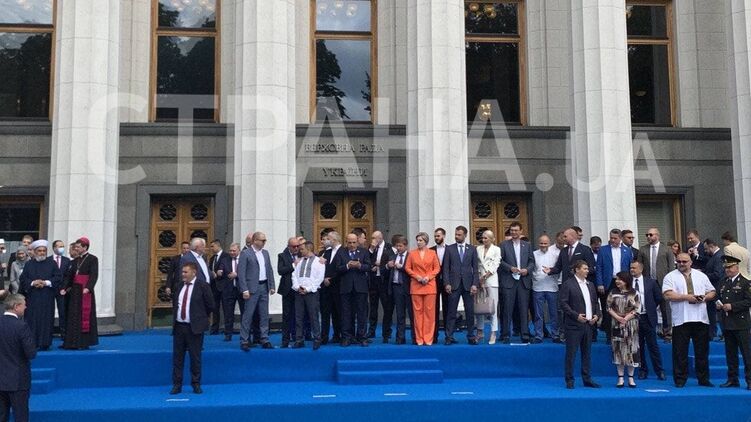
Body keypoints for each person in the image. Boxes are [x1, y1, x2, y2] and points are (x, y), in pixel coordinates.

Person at [662, 253, 716, 388]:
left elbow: (712, 291)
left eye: (684, 261)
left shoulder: (701, 275)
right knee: (680, 351)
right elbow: (668, 295)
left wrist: (704, 297)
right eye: (679, 261)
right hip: (681, 318)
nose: (681, 263)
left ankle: (703, 379)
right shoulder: (670, 276)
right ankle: (680, 379)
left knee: (702, 351)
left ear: (690, 262)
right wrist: (687, 297)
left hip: (701, 318)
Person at [170, 262, 214, 395]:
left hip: (194, 328)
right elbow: (176, 304)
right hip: (179, 327)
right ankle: (177, 384)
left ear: (193, 272)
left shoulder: (202, 286)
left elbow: (210, 305)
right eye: (182, 272)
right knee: (178, 357)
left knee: (195, 357)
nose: (183, 274)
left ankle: (196, 383)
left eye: (185, 272)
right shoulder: (179, 286)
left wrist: (200, 317)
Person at [560, 260, 601, 389]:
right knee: (571, 353)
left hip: (588, 324)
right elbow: (563, 303)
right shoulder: (568, 284)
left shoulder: (590, 285)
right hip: (574, 325)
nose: (587, 271)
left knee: (587, 353)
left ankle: (587, 378)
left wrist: (596, 315)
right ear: (577, 270)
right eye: (584, 268)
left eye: (587, 269)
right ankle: (569, 379)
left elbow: (595, 302)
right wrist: (575, 315)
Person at [716, 255, 751, 390]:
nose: (728, 270)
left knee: (746, 354)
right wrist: (718, 304)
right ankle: (732, 379)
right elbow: (718, 296)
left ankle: (749, 380)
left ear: (737, 267)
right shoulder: (723, 282)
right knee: (730, 354)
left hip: (741, 323)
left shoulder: (745, 283)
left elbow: (748, 301)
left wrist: (733, 306)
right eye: (726, 268)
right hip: (727, 322)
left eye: (730, 267)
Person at [19, 240, 61, 351]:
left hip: (47, 297)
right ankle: (32, 342)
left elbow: (58, 277)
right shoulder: (29, 264)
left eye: (44, 251)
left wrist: (46, 282)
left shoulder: (52, 263)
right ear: (35, 251)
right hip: (33, 297)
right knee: (32, 320)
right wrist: (33, 283)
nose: (42, 253)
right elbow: (23, 279)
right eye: (39, 251)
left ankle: (45, 343)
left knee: (46, 320)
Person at [0, 294, 36, 422]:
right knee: (21, 416)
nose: (26, 307)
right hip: (18, 381)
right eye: (24, 305)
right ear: (16, 306)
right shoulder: (21, 326)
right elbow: (31, 353)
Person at [237, 231, 276, 351]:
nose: (264, 242)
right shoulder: (246, 253)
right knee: (248, 315)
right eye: (262, 240)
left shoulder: (265, 253)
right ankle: (244, 339)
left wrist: (272, 285)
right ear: (255, 241)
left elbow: (269, 269)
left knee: (264, 314)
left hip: (264, 286)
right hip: (251, 288)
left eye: (265, 240)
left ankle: (264, 338)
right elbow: (241, 273)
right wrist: (244, 289)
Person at [59, 238, 100, 350]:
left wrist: (88, 288)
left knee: (84, 317)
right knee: (73, 317)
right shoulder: (74, 261)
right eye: (75, 247)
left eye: (78, 247)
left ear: (85, 247)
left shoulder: (92, 259)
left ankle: (83, 342)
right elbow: (69, 277)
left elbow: (94, 275)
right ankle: (72, 342)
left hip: (85, 292)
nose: (76, 249)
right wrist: (64, 288)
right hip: (75, 292)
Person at [442, 226, 479, 345]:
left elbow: (475, 268)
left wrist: (475, 284)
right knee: (451, 312)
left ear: (465, 235)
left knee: (470, 312)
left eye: (459, 235)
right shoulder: (449, 249)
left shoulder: (472, 249)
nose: (456, 236)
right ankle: (449, 336)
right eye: (456, 234)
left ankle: (471, 336)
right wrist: (447, 283)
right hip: (454, 284)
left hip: (468, 285)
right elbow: (445, 268)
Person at [499, 222, 535, 344]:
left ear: (521, 231)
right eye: (512, 230)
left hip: (523, 281)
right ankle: (505, 335)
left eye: (516, 230)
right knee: (507, 309)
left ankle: (525, 334)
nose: (514, 232)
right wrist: (510, 268)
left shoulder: (527, 245)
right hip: (509, 281)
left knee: (524, 309)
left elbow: (531, 261)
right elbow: (500, 261)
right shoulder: (503, 245)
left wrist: (527, 270)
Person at [638, 228, 676, 343]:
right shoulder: (643, 249)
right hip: (648, 283)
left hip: (663, 282)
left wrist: (671, 283)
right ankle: (648, 332)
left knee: (665, 308)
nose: (648, 237)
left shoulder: (667, 249)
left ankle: (668, 333)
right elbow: (639, 266)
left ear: (657, 236)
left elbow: (671, 267)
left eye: (650, 234)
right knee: (648, 308)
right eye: (647, 235)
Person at [596, 229, 633, 343]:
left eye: (615, 238)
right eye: (611, 238)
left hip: (622, 282)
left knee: (622, 307)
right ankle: (609, 335)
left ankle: (621, 333)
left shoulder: (627, 251)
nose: (612, 240)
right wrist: (600, 283)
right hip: (608, 282)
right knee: (608, 308)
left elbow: (630, 268)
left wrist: (629, 283)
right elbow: (599, 267)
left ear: (620, 238)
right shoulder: (603, 250)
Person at [630, 261, 665, 381]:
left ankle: (659, 370)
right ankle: (642, 370)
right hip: (633, 318)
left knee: (653, 345)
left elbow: (658, 297)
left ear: (641, 269)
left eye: (634, 268)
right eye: (631, 268)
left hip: (647, 317)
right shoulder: (628, 282)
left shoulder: (651, 282)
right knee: (638, 345)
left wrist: (650, 307)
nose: (632, 270)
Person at [404, 232, 441, 346]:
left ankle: (428, 338)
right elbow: (407, 268)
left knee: (429, 314)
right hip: (416, 285)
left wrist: (428, 277)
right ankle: (419, 338)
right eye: (417, 240)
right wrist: (417, 277)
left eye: (421, 240)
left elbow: (437, 268)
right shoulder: (412, 253)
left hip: (429, 286)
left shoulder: (432, 253)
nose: (418, 242)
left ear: (426, 242)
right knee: (417, 314)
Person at [606, 271, 641, 388]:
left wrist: (625, 319)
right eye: (616, 279)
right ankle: (620, 378)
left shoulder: (634, 293)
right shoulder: (613, 292)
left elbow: (637, 308)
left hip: (631, 325)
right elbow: (608, 307)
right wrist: (618, 318)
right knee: (618, 350)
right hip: (616, 323)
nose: (617, 281)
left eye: (619, 279)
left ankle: (631, 377)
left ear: (626, 280)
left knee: (631, 349)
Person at [336, 233, 371, 347]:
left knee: (362, 313)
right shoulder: (341, 252)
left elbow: (368, 267)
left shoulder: (364, 252)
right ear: (346, 242)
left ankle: (362, 337)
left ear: (357, 242)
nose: (352, 245)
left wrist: (360, 266)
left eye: (354, 242)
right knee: (346, 313)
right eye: (349, 242)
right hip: (346, 287)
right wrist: (347, 266)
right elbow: (337, 268)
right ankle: (347, 337)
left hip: (360, 287)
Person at [291, 242, 325, 350]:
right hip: (299, 292)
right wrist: (297, 287)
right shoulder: (299, 261)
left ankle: (317, 339)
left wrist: (308, 289)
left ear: (309, 249)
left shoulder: (319, 262)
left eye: (302, 249)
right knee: (299, 317)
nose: (300, 251)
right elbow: (294, 275)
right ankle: (299, 340)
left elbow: (319, 278)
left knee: (313, 316)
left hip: (312, 293)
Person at [532, 234, 560, 343]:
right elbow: (532, 268)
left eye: (545, 243)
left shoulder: (555, 254)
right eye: (541, 243)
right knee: (538, 314)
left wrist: (550, 270)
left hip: (552, 287)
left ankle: (555, 334)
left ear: (549, 243)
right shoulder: (534, 254)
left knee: (554, 313)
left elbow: (558, 268)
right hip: (537, 287)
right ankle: (539, 335)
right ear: (538, 243)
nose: (543, 245)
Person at [368, 231, 394, 342]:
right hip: (374, 281)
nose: (373, 240)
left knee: (387, 307)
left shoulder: (389, 247)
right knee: (373, 307)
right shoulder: (371, 248)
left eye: (375, 238)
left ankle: (387, 332)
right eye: (372, 238)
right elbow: (366, 260)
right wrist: (372, 265)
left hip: (384, 282)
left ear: (380, 237)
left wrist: (381, 265)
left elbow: (391, 262)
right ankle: (371, 330)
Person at [476, 230, 501, 344]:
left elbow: (496, 263)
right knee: (480, 306)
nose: (484, 240)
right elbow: (477, 264)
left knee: (492, 308)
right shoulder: (478, 249)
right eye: (483, 238)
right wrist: (480, 278)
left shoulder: (496, 249)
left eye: (486, 238)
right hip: (480, 280)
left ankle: (493, 332)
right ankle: (480, 331)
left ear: (492, 239)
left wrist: (486, 276)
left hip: (491, 280)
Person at [387, 235, 413, 344]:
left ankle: (415, 337)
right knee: (400, 313)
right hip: (396, 287)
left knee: (412, 313)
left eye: (400, 246)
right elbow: (385, 271)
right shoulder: (392, 256)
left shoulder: (411, 256)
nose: (398, 248)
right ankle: (400, 337)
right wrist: (388, 266)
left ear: (406, 246)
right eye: (397, 246)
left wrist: (401, 267)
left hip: (408, 287)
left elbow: (412, 271)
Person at [216, 243, 244, 342]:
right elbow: (220, 269)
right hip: (228, 290)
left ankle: (245, 334)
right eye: (230, 251)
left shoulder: (244, 259)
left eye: (234, 251)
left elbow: (248, 271)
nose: (231, 252)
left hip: (241, 289)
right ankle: (228, 334)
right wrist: (219, 272)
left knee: (244, 312)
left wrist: (237, 274)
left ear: (239, 250)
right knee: (228, 313)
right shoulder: (224, 260)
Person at [277, 237, 301, 348]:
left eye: (297, 246)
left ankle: (298, 339)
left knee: (298, 315)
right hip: (287, 289)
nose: (296, 248)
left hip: (299, 290)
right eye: (294, 246)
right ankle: (285, 340)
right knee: (287, 316)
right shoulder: (282, 256)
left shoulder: (302, 254)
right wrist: (293, 265)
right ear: (289, 246)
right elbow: (280, 270)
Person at [320, 231, 343, 345]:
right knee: (325, 313)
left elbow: (341, 269)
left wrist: (331, 279)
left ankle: (338, 335)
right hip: (325, 288)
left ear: (334, 240)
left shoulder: (343, 251)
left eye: (328, 238)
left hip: (338, 287)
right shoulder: (326, 252)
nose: (326, 240)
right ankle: (323, 337)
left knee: (338, 313)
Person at [703, 239, 725, 340]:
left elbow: (718, 274)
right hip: (713, 288)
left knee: (717, 312)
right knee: (712, 311)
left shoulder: (718, 256)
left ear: (711, 246)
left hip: (716, 287)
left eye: (706, 249)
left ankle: (719, 333)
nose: (705, 251)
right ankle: (712, 332)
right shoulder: (715, 256)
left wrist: (703, 275)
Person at [430, 228, 448, 344]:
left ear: (444, 236)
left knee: (448, 309)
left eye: (438, 236)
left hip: (447, 283)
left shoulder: (450, 249)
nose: (436, 238)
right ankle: (434, 336)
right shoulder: (430, 250)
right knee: (434, 309)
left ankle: (448, 335)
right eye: (435, 236)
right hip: (434, 283)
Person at [50, 240, 71, 340]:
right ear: (54, 248)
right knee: (49, 311)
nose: (61, 248)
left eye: (63, 246)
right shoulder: (48, 260)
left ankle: (64, 333)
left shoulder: (67, 260)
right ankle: (48, 332)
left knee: (62, 311)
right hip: (50, 289)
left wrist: (64, 288)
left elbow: (68, 276)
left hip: (62, 290)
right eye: (59, 246)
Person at [207, 239, 225, 335]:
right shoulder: (212, 259)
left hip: (224, 286)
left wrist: (220, 273)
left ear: (218, 246)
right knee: (215, 308)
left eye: (212, 246)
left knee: (226, 308)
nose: (211, 248)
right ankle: (215, 328)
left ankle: (227, 327)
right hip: (214, 287)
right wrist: (212, 274)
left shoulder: (226, 256)